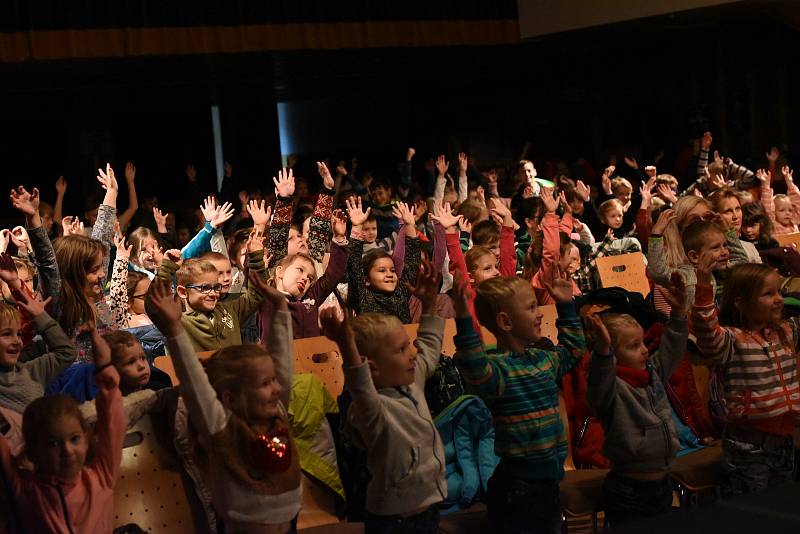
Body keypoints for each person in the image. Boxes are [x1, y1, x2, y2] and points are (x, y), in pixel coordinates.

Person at [145, 275, 302, 533]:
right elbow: (193, 380)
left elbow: (283, 365)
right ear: (230, 398)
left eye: (273, 381)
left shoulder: (276, 413)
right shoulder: (221, 427)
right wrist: (174, 329)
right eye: (264, 384)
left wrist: (281, 308)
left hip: (289, 524)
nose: (276, 388)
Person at [451, 271, 585, 534]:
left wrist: (566, 305)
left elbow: (573, 351)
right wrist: (463, 316)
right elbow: (475, 367)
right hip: (517, 488)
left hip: (548, 481)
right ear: (506, 321)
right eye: (531, 307)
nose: (540, 313)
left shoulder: (544, 360)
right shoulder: (498, 370)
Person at [320, 261, 447, 534]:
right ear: (372, 367)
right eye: (401, 350)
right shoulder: (371, 410)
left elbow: (429, 348)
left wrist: (429, 305)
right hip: (394, 521)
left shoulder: (412, 382)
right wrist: (346, 345)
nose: (411, 354)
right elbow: (360, 384)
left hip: (429, 510)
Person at [0, 323, 125, 533]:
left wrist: (105, 370)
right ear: (33, 451)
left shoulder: (100, 477)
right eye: (53, 444)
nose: (67, 451)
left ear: (86, 439)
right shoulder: (26, 492)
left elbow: (113, 423)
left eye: (74, 439)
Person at [585, 272, 688, 525]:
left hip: (662, 482)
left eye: (642, 342)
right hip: (629, 489)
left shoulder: (651, 374)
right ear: (613, 355)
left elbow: (672, 349)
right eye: (633, 346)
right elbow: (599, 379)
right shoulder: (611, 389)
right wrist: (603, 351)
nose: (644, 350)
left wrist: (678, 315)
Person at [691, 260, 800, 493]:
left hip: (784, 441)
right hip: (748, 447)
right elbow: (706, 330)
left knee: (782, 509)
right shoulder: (732, 340)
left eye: (779, 291)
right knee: (756, 514)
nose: (779, 298)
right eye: (768, 294)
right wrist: (702, 285)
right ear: (741, 303)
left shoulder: (786, 332)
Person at [156, 227, 269, 351]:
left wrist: (255, 257)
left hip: (234, 369)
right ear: (183, 292)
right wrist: (167, 268)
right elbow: (155, 303)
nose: (213, 294)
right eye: (204, 288)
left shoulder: (230, 310)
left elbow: (256, 294)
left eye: (216, 287)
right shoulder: (177, 322)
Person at [346, 197, 420, 323]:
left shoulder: (401, 293)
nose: (390, 274)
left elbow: (412, 264)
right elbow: (353, 265)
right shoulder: (362, 297)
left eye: (392, 270)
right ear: (366, 280)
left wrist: (410, 225)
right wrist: (357, 226)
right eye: (382, 270)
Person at [46, 330, 172, 402]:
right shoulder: (93, 400)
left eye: (143, 358)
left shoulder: (158, 391)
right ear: (110, 369)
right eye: (130, 362)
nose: (141, 366)